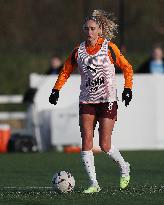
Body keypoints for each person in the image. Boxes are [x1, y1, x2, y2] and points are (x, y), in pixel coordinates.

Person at [49, 10, 133, 193]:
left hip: (107, 100)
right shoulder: (78, 52)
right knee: (86, 140)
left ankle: (124, 166)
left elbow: (127, 67)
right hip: (87, 100)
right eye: (86, 28)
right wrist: (56, 90)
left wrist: (128, 88)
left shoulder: (109, 48)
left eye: (93, 28)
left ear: (100, 30)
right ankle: (94, 183)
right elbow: (65, 71)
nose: (89, 32)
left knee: (104, 145)